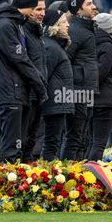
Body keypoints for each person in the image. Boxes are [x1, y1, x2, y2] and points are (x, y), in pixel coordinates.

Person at [0, 0, 48, 163]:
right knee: (10, 149)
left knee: (18, 147)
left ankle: (10, 188)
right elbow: (20, 60)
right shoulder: (5, 26)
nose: (35, 12)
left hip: (17, 93)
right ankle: (0, 189)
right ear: (26, 6)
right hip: (10, 94)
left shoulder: (15, 25)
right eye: (34, 7)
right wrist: (39, 85)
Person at [61, 0, 99, 161]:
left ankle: (80, 177)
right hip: (77, 91)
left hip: (86, 90)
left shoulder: (87, 29)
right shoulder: (76, 31)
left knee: (83, 137)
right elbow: (65, 61)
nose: (94, 7)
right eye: (89, 4)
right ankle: (66, 176)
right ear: (78, 10)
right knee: (74, 137)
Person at [40, 9, 74, 161]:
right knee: (51, 142)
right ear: (54, 25)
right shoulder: (51, 47)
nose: (67, 25)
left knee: (54, 141)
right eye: (63, 22)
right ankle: (47, 174)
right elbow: (43, 75)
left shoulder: (55, 45)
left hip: (58, 102)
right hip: (53, 103)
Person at [86, 13, 112, 161]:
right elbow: (100, 74)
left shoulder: (88, 42)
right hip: (104, 100)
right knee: (98, 143)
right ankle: (92, 176)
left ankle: (83, 174)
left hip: (89, 99)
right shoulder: (108, 47)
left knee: (90, 142)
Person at [22, 0, 47, 162]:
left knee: (33, 137)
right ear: (29, 11)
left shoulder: (38, 33)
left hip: (38, 92)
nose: (42, 13)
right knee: (23, 138)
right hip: (27, 93)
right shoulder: (23, 32)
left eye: (44, 9)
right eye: (38, 9)